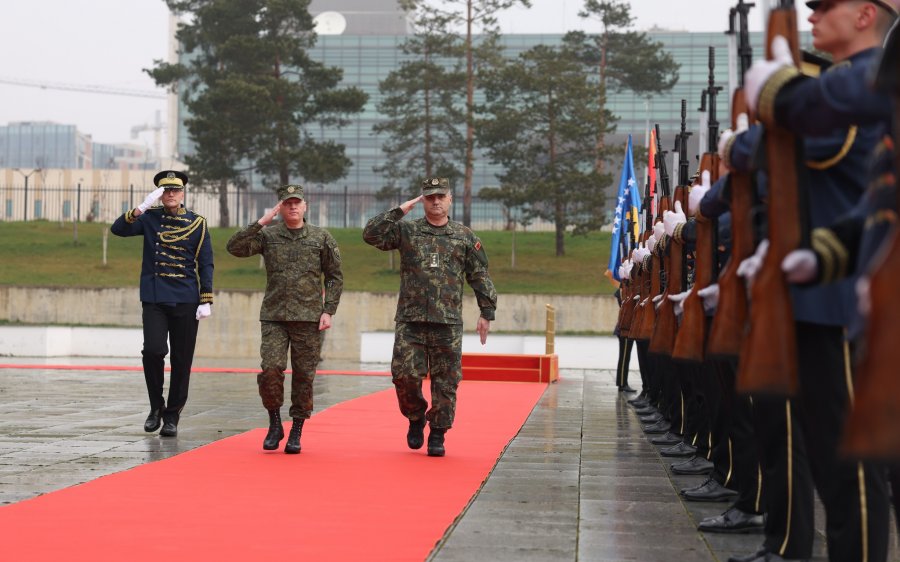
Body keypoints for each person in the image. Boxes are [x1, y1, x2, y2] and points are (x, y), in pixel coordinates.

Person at [362, 177, 497, 457]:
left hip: (447, 323)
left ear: (450, 200)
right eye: (430, 197)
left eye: (440, 196)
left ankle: (438, 433)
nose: (436, 201)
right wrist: (400, 210)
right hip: (411, 320)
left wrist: (487, 312)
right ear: (422, 200)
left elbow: (479, 275)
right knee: (404, 376)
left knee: (446, 380)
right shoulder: (407, 231)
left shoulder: (464, 236)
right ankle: (415, 417)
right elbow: (371, 235)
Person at [226, 184, 343, 454]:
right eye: (287, 203)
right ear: (280, 207)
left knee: (304, 377)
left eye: (296, 203)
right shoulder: (269, 236)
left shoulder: (321, 238)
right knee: (270, 369)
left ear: (305, 206)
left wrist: (329, 310)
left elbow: (335, 276)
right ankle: (275, 422)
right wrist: (261, 222)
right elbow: (235, 247)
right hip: (275, 317)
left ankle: (297, 430)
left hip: (309, 319)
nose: (292, 207)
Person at [111, 170, 214, 438]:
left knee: (182, 360)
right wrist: (142, 207)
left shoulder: (198, 223)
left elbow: (205, 263)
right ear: (159, 193)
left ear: (183, 194)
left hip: (186, 299)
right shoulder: (150, 219)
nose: (170, 194)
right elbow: (118, 229)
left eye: (175, 190)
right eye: (165, 190)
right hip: (155, 297)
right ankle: (156, 407)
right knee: (154, 351)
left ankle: (172, 416)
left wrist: (206, 298)